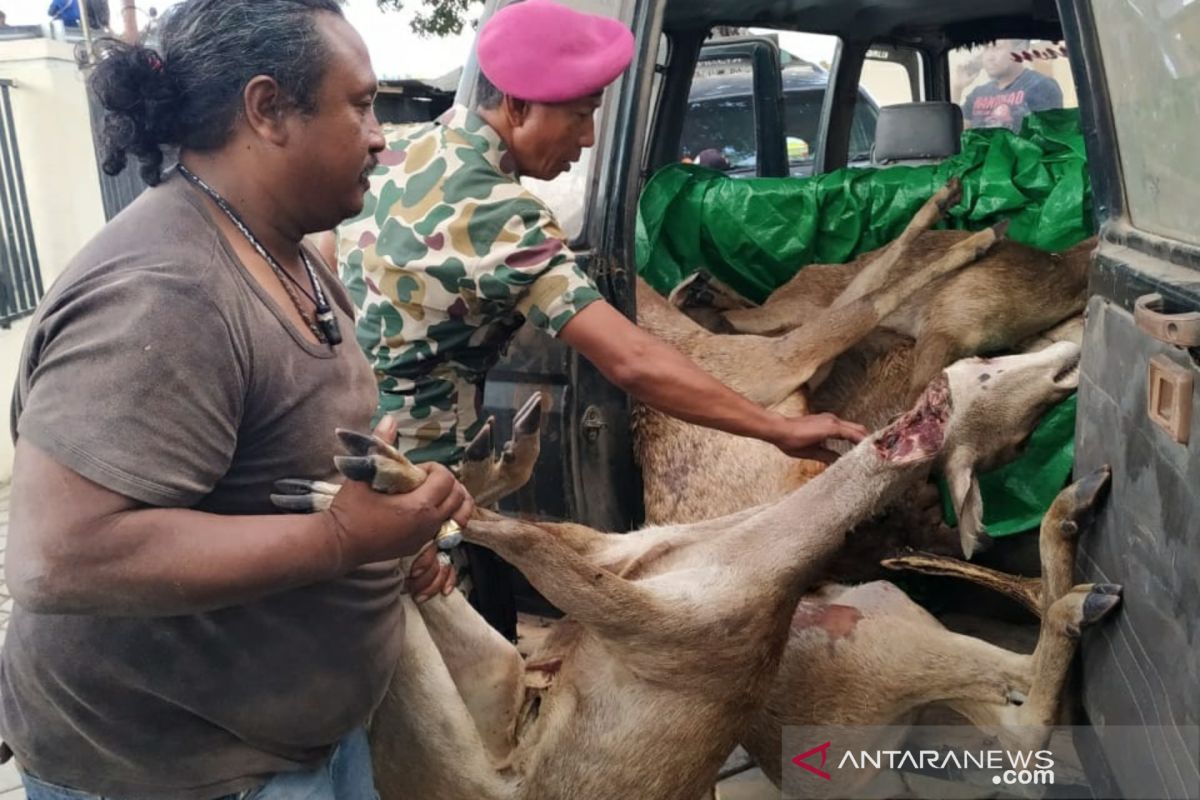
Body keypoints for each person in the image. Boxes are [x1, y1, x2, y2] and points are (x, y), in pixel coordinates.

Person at [1, 1, 470, 798]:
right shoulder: (169, 291)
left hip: (293, 746)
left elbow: (270, 469)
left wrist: (391, 532)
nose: (381, 133)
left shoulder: (281, 251)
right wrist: (342, 543)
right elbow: (58, 557)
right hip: (180, 773)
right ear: (267, 110)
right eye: (359, 104)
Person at [336, 0, 867, 634]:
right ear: (518, 106)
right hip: (426, 497)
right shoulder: (501, 215)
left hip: (354, 462)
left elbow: (322, 266)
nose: (587, 138)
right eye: (581, 115)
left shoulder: (395, 154)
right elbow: (631, 360)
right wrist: (774, 429)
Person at [961, 39, 1063, 132]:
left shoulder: (1040, 86)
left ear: (1019, 51)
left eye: (997, 48)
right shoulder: (978, 93)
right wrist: (957, 88)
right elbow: (958, 133)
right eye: (986, 48)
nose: (989, 57)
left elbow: (1048, 140)